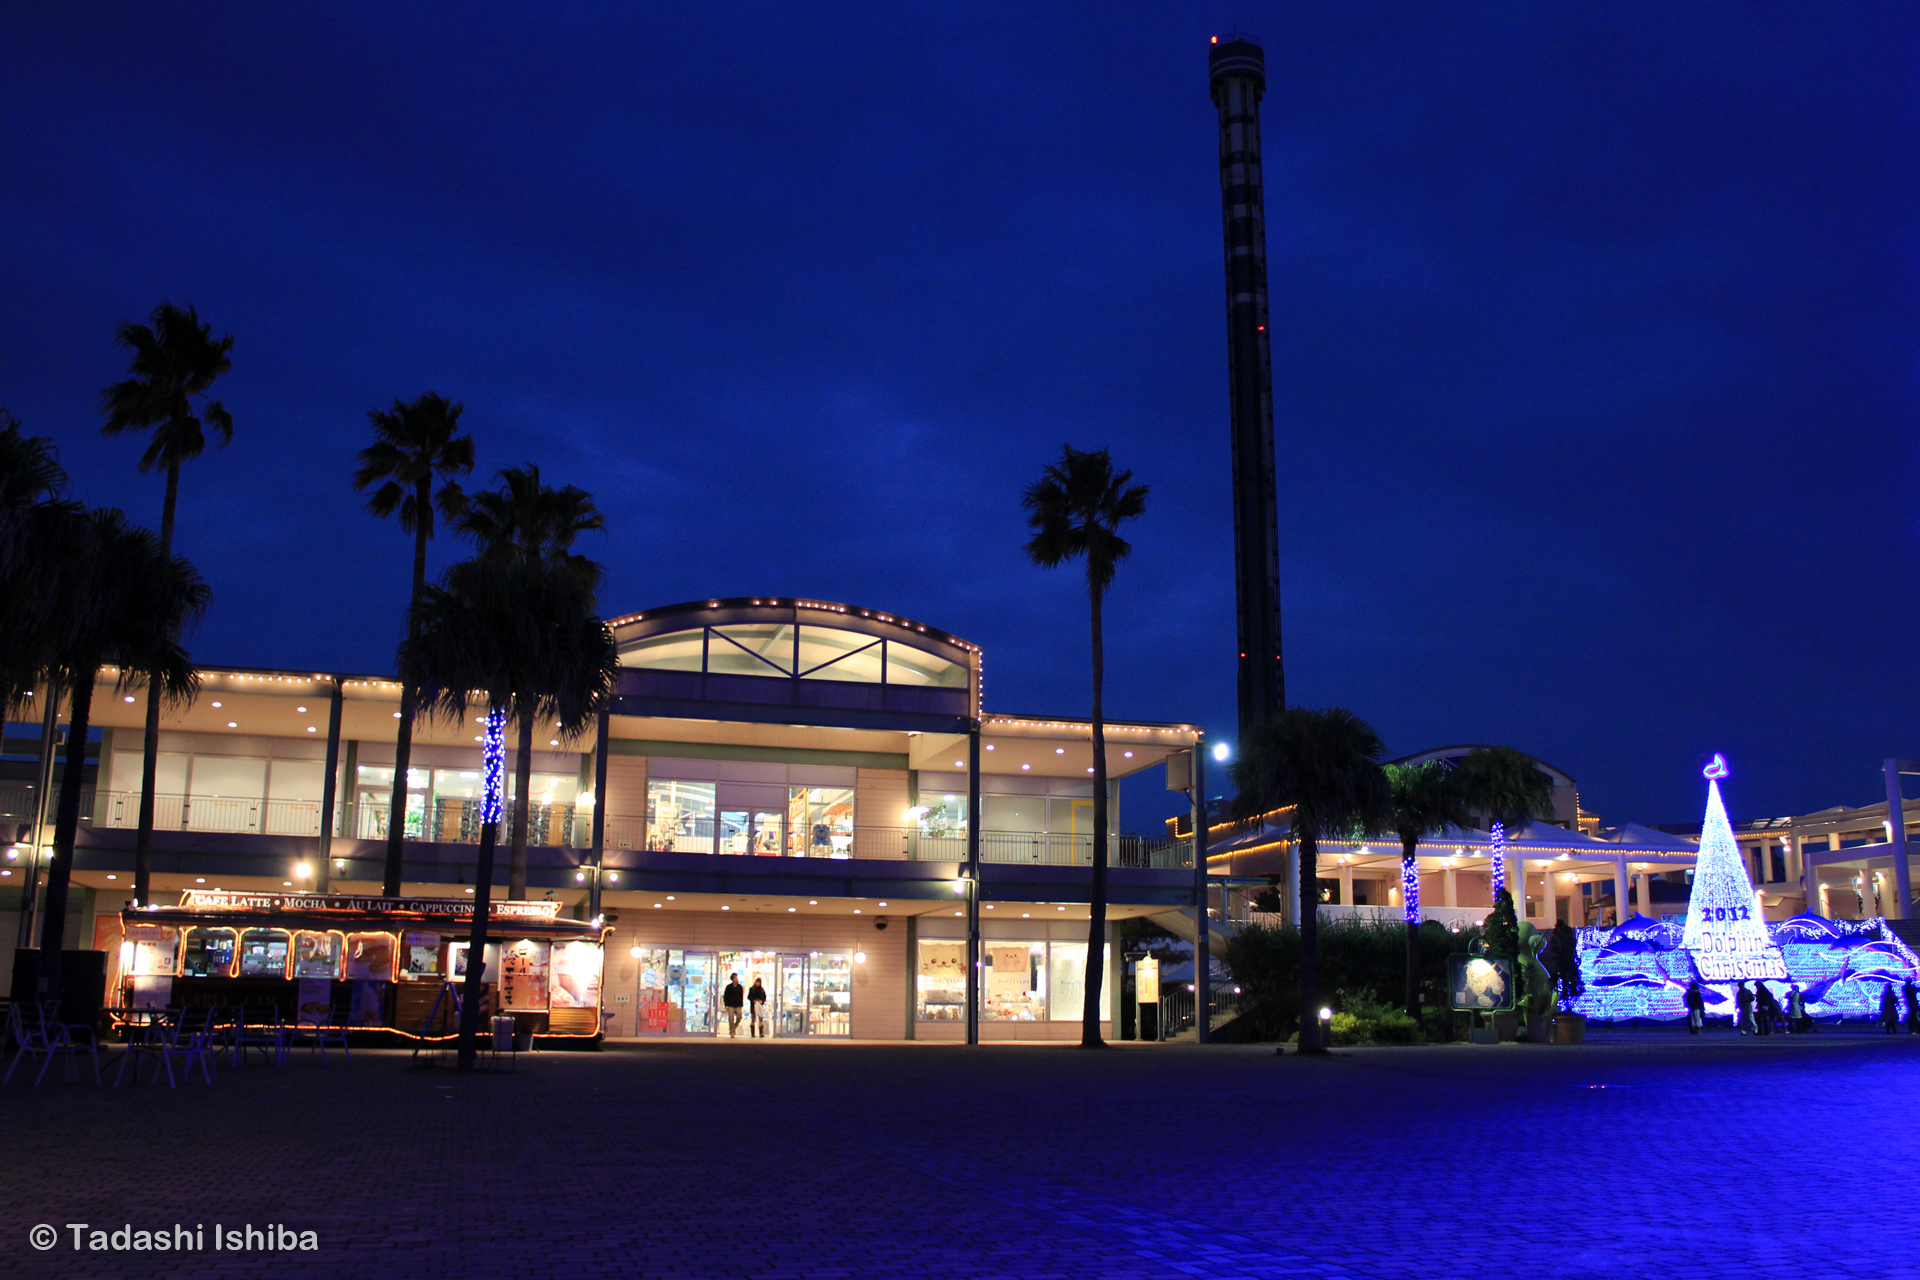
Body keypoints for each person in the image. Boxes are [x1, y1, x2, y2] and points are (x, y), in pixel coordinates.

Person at [722, 972, 745, 1037]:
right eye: (735, 978)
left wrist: (741, 1005)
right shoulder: (729, 987)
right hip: (730, 1005)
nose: (737, 979)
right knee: (731, 1018)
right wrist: (726, 1005)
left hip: (738, 1005)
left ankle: (734, 1027)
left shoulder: (740, 987)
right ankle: (732, 1031)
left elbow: (741, 996)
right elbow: (725, 996)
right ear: (733, 979)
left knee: (739, 1017)